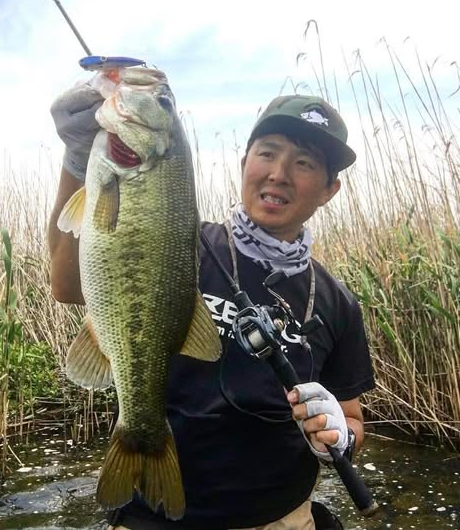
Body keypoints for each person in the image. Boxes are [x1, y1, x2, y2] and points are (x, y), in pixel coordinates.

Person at [48, 73, 375, 530]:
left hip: (282, 517)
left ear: (328, 190)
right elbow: (66, 286)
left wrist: (341, 434)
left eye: (303, 163)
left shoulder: (338, 303)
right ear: (245, 163)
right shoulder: (182, 243)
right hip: (152, 518)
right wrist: (78, 159)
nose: (279, 173)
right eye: (267, 153)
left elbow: (353, 417)